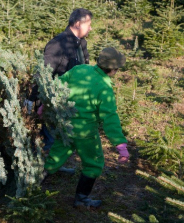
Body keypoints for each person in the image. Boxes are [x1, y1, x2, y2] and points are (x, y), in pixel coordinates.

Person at [43, 47, 130, 208]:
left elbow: (57, 84)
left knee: (57, 154)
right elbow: (110, 117)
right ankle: (81, 199)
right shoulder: (104, 88)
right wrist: (120, 144)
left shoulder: (80, 68)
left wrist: (45, 103)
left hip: (65, 125)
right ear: (113, 69)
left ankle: (31, 184)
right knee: (93, 163)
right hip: (85, 132)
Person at [25, 8, 93, 155]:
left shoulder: (81, 44)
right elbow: (43, 73)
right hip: (54, 101)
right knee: (50, 139)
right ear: (77, 23)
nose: (91, 28)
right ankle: (41, 172)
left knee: (61, 138)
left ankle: (53, 165)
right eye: (88, 24)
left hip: (72, 101)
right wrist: (32, 99)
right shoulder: (58, 44)